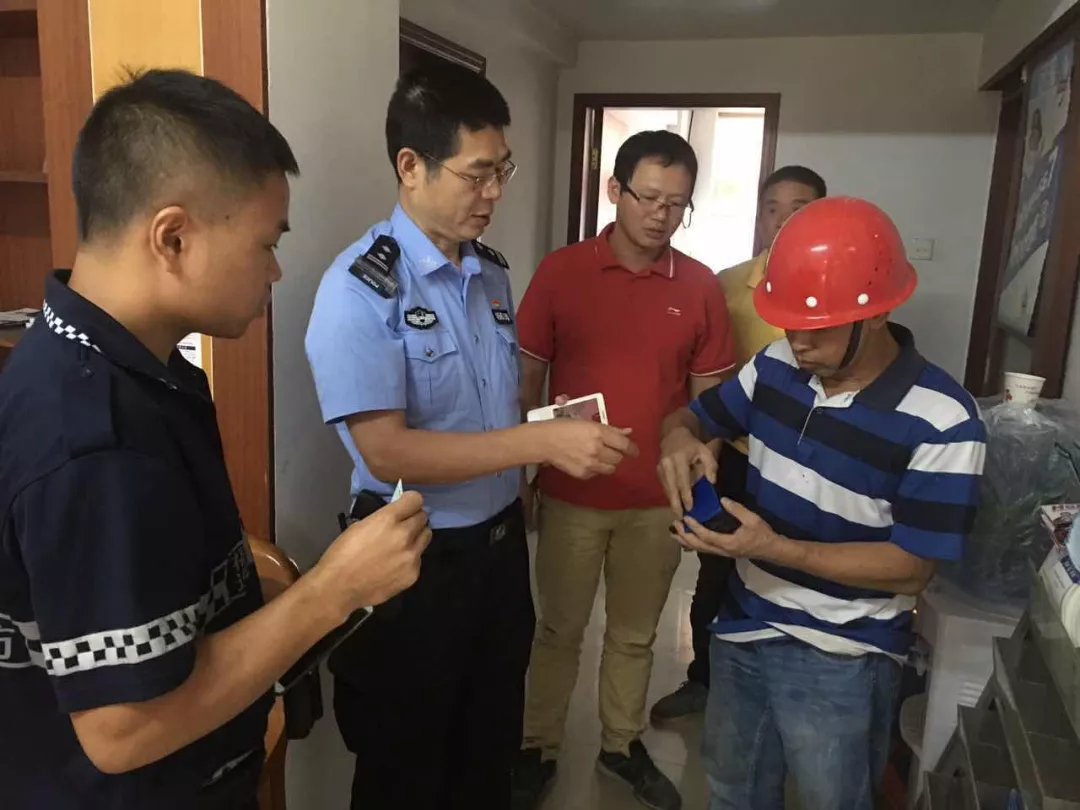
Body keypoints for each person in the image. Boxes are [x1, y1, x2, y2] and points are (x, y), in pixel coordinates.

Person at [0, 70, 431, 810]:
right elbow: (123, 731)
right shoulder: (95, 441)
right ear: (173, 237)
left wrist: (272, 599)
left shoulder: (142, 368)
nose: (275, 269)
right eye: (265, 243)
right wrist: (332, 591)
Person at [304, 64, 637, 810]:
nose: (493, 194)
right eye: (476, 174)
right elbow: (387, 451)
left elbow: (490, 413)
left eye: (501, 171)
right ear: (410, 166)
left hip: (497, 556)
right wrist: (537, 448)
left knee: (488, 754)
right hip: (413, 564)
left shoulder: (490, 275)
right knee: (404, 772)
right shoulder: (360, 289)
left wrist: (551, 433)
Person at [656, 196, 986, 810]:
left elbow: (913, 568)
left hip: (845, 653)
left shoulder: (944, 422)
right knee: (732, 789)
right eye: (789, 324)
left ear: (878, 313)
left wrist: (774, 548)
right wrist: (679, 442)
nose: (799, 342)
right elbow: (692, 418)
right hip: (745, 624)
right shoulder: (774, 366)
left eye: (820, 328)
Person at [511, 131, 737, 810]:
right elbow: (525, 381)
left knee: (636, 635)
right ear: (615, 190)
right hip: (572, 492)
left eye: (677, 204)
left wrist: (698, 476)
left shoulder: (699, 286)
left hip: (656, 499)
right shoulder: (562, 272)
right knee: (559, 630)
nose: (661, 215)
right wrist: (521, 472)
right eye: (649, 198)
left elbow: (709, 403)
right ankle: (538, 747)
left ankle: (621, 745)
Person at [650, 165, 827, 722]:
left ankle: (787, 690)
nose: (783, 221)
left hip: (813, 466)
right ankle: (703, 679)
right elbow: (708, 377)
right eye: (773, 208)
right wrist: (699, 439)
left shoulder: (841, 288)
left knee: (794, 568)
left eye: (799, 209)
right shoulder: (727, 286)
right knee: (717, 570)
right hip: (737, 454)